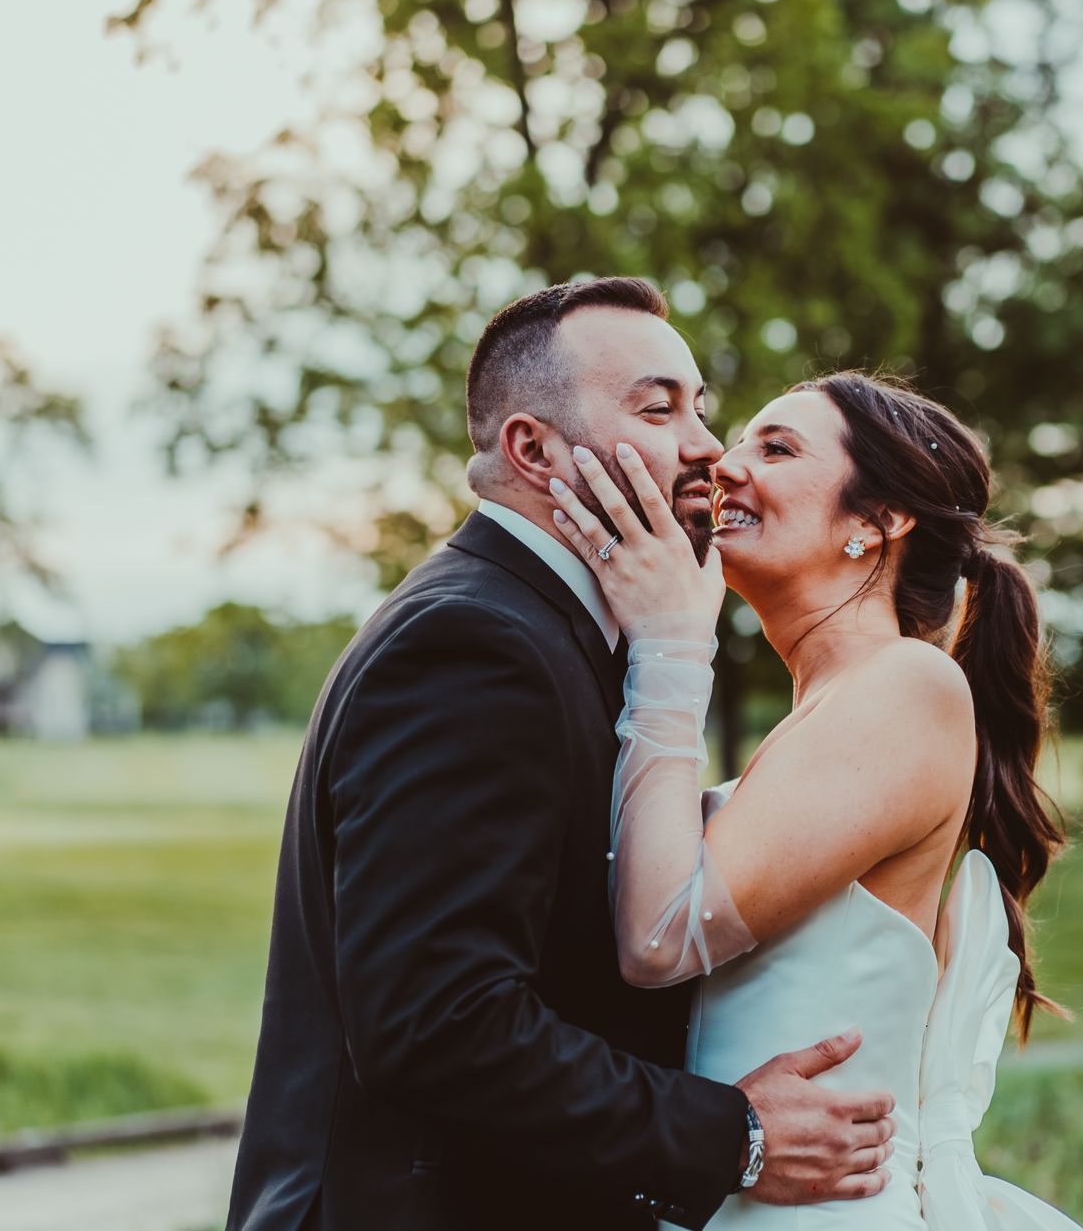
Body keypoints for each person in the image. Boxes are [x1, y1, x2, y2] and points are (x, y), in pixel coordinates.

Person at [225, 279, 896, 1231]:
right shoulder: (472, 643)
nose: (707, 445)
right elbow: (438, 1022)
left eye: (699, 407)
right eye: (658, 407)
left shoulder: (547, 635)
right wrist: (733, 1134)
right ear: (532, 449)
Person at [546, 371, 1083, 1228]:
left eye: (777, 447)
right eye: (740, 440)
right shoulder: (827, 714)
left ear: (876, 524)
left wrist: (672, 644)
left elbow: (660, 938)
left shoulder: (909, 686)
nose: (724, 465)